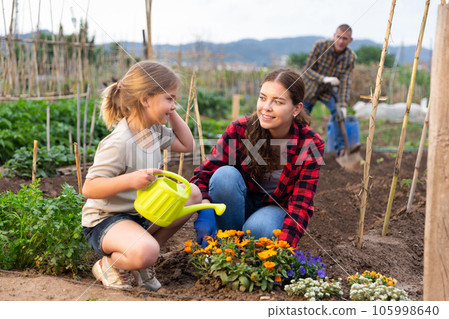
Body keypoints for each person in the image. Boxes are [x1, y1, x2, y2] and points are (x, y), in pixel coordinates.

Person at [81, 61, 201, 290]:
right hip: (106, 221)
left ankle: (142, 262)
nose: (174, 105)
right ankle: (112, 264)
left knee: (192, 194)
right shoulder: (119, 142)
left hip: (140, 214)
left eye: (174, 100)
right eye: (169, 99)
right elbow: (89, 188)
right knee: (147, 250)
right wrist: (130, 179)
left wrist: (171, 112)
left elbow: (187, 145)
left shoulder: (153, 131)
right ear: (146, 100)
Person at [191, 69, 324, 249]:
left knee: (260, 228)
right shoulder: (240, 130)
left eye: (278, 101)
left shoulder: (309, 143)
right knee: (225, 176)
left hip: (273, 210)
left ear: (296, 108)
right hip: (236, 206)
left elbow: (301, 204)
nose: (266, 107)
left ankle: (248, 253)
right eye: (263, 98)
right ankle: (226, 248)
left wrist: (283, 250)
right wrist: (205, 209)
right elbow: (203, 176)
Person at [302, 24, 357, 156]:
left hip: (328, 92)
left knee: (339, 114)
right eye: (339, 37)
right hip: (310, 88)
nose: (341, 41)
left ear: (350, 40)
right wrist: (324, 78)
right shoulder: (320, 46)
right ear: (334, 36)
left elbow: (345, 83)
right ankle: (297, 147)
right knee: (301, 118)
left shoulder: (350, 57)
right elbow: (307, 70)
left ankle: (340, 150)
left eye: (345, 39)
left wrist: (343, 106)